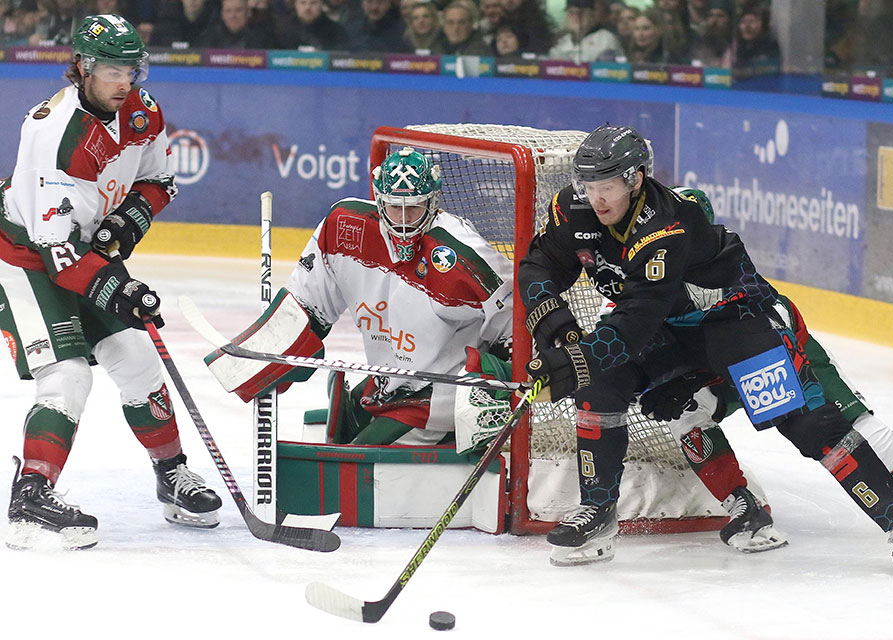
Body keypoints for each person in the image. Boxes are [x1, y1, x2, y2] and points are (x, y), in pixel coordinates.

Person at [518, 124, 893, 575]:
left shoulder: (666, 225)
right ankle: (599, 512)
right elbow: (540, 265)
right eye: (588, 186)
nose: (597, 198)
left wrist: (576, 363)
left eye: (606, 187)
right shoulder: (574, 208)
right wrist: (561, 332)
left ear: (635, 179)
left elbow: (636, 319)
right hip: (671, 331)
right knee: (601, 384)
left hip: (736, 322)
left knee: (806, 423)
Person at [0, 14, 222, 550]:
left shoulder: (141, 112)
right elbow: (57, 256)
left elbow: (159, 180)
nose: (126, 82)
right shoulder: (53, 134)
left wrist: (126, 223)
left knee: (139, 361)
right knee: (69, 374)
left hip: (84, 249)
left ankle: (171, 476)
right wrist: (117, 287)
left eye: (132, 69)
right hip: (25, 257)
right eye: (112, 71)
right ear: (81, 67)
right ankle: (31, 496)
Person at [205, 148, 514, 449]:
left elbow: (517, 324)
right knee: (341, 417)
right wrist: (270, 352)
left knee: (355, 457)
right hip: (385, 387)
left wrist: (492, 385)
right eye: (395, 207)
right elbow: (307, 307)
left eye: (414, 208)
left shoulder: (461, 257)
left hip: (439, 398)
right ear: (379, 202)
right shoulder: (345, 229)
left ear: (433, 203)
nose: (404, 221)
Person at [548, 0, 623, 63]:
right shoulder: (562, 41)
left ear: (592, 15)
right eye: (571, 12)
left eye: (581, 13)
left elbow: (606, 72)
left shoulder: (606, 38)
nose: (576, 17)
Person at [197, 0, 274, 48]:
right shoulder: (210, 38)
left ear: (248, 13)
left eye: (238, 10)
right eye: (228, 11)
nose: (233, 16)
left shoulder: (264, 39)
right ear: (222, 15)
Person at [273, 0, 347, 50]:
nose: (307, 8)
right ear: (295, 5)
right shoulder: (283, 30)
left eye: (313, 3)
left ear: (321, 4)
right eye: (303, 3)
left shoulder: (335, 30)